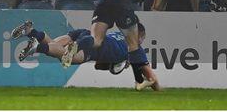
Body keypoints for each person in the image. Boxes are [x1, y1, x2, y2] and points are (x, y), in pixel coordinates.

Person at [12, 20, 160, 91]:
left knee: (56, 47)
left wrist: (116, 63)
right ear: (139, 36)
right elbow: (149, 75)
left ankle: (32, 32)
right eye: (143, 38)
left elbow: (99, 65)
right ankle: (36, 47)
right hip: (94, 47)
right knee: (71, 58)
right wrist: (159, 90)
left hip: (88, 34)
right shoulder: (135, 49)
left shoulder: (119, 35)